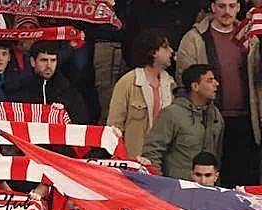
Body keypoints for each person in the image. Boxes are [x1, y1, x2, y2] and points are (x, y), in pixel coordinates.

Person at [175, 0, 258, 186]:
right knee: (213, 182)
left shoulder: (251, 35)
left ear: (238, 7)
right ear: (212, 7)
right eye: (221, 6)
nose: (227, 12)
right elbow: (185, 82)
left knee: (247, 181)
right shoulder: (194, 38)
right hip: (209, 121)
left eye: (231, 6)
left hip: (248, 122)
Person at [141, 63, 224, 177]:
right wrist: (160, 184)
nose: (216, 84)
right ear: (195, 86)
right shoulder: (172, 114)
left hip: (207, 188)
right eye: (210, 81)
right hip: (176, 187)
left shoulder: (215, 115)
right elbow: (152, 152)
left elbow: (217, 154)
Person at [107, 30, 177, 159]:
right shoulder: (127, 83)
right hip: (134, 158)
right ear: (153, 52)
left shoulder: (171, 84)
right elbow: (114, 127)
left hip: (163, 159)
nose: (171, 51)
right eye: (166, 47)